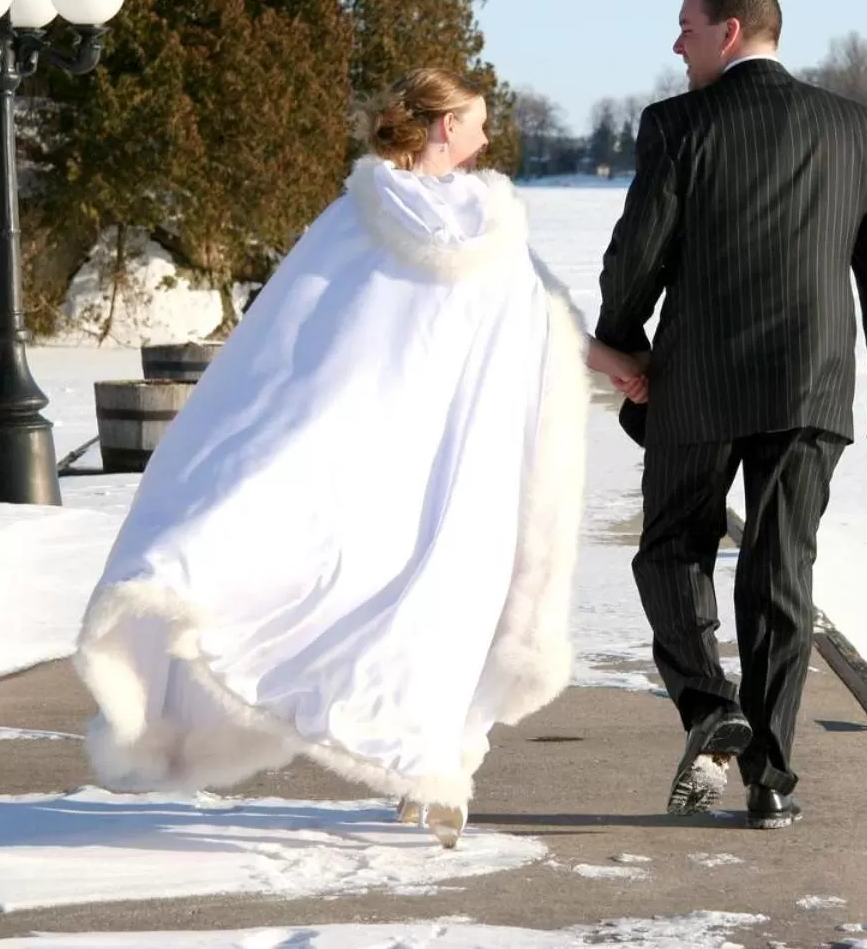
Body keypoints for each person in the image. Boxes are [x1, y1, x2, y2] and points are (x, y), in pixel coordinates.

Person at [74, 68, 646, 848]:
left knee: (405, 595)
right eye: (477, 121)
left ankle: (430, 768)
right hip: (466, 472)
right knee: (452, 603)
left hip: (394, 465)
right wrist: (621, 367)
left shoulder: (364, 220)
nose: (487, 137)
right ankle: (437, 774)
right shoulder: (485, 233)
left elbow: (290, 346)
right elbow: (545, 320)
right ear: (443, 125)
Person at [595, 0, 867, 830]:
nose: (677, 44)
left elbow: (639, 251)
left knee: (672, 547)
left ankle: (710, 705)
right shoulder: (853, 127)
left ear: (731, 30)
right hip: (812, 383)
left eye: (687, 27)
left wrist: (621, 343)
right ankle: (771, 779)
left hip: (698, 381)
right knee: (782, 571)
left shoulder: (679, 124)